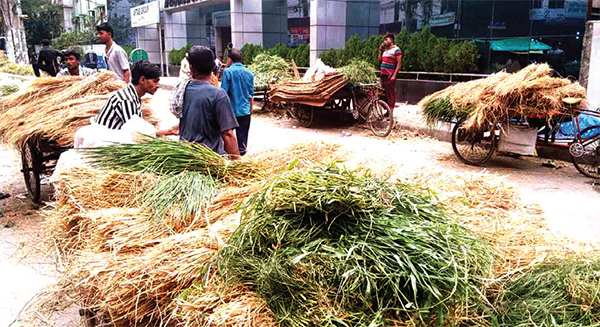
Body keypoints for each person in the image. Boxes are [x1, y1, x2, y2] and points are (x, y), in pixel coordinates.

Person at [161, 45, 240, 159]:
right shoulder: (218, 94)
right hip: (210, 162)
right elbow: (228, 134)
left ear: (192, 68)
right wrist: (238, 167)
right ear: (213, 67)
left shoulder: (182, 90)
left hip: (184, 157)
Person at [95, 60, 161, 130]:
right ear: (142, 80)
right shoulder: (126, 100)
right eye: (155, 81)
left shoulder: (133, 97)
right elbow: (134, 132)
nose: (158, 85)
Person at [220, 49, 254, 156]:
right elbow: (251, 94)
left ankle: (231, 156)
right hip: (245, 110)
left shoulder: (228, 72)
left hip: (230, 112)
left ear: (229, 59)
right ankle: (241, 158)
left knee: (227, 136)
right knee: (243, 137)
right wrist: (250, 109)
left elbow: (223, 92)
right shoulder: (249, 73)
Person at [378, 33, 403, 108]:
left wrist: (394, 75)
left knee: (390, 94)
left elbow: (399, 63)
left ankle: (391, 112)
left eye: (386, 39)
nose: (385, 41)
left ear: (391, 40)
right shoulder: (385, 51)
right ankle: (386, 110)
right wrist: (380, 51)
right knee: (383, 93)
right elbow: (379, 61)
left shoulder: (397, 50)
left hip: (390, 75)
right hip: (383, 75)